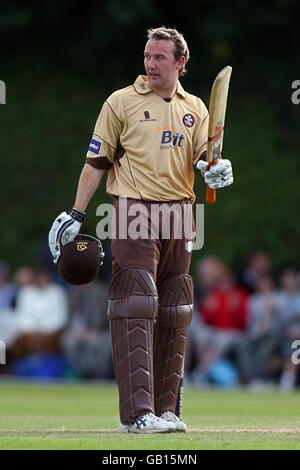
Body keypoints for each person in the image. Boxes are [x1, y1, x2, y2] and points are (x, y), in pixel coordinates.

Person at [48, 27, 234, 433]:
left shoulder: (196, 108)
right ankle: (137, 415)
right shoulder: (121, 102)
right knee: (136, 299)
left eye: (159, 58)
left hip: (182, 211)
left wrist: (217, 170)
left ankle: (168, 410)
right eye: (147, 56)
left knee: (175, 306)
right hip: (134, 208)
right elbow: (96, 163)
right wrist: (76, 214)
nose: (150, 64)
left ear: (179, 63)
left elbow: (204, 158)